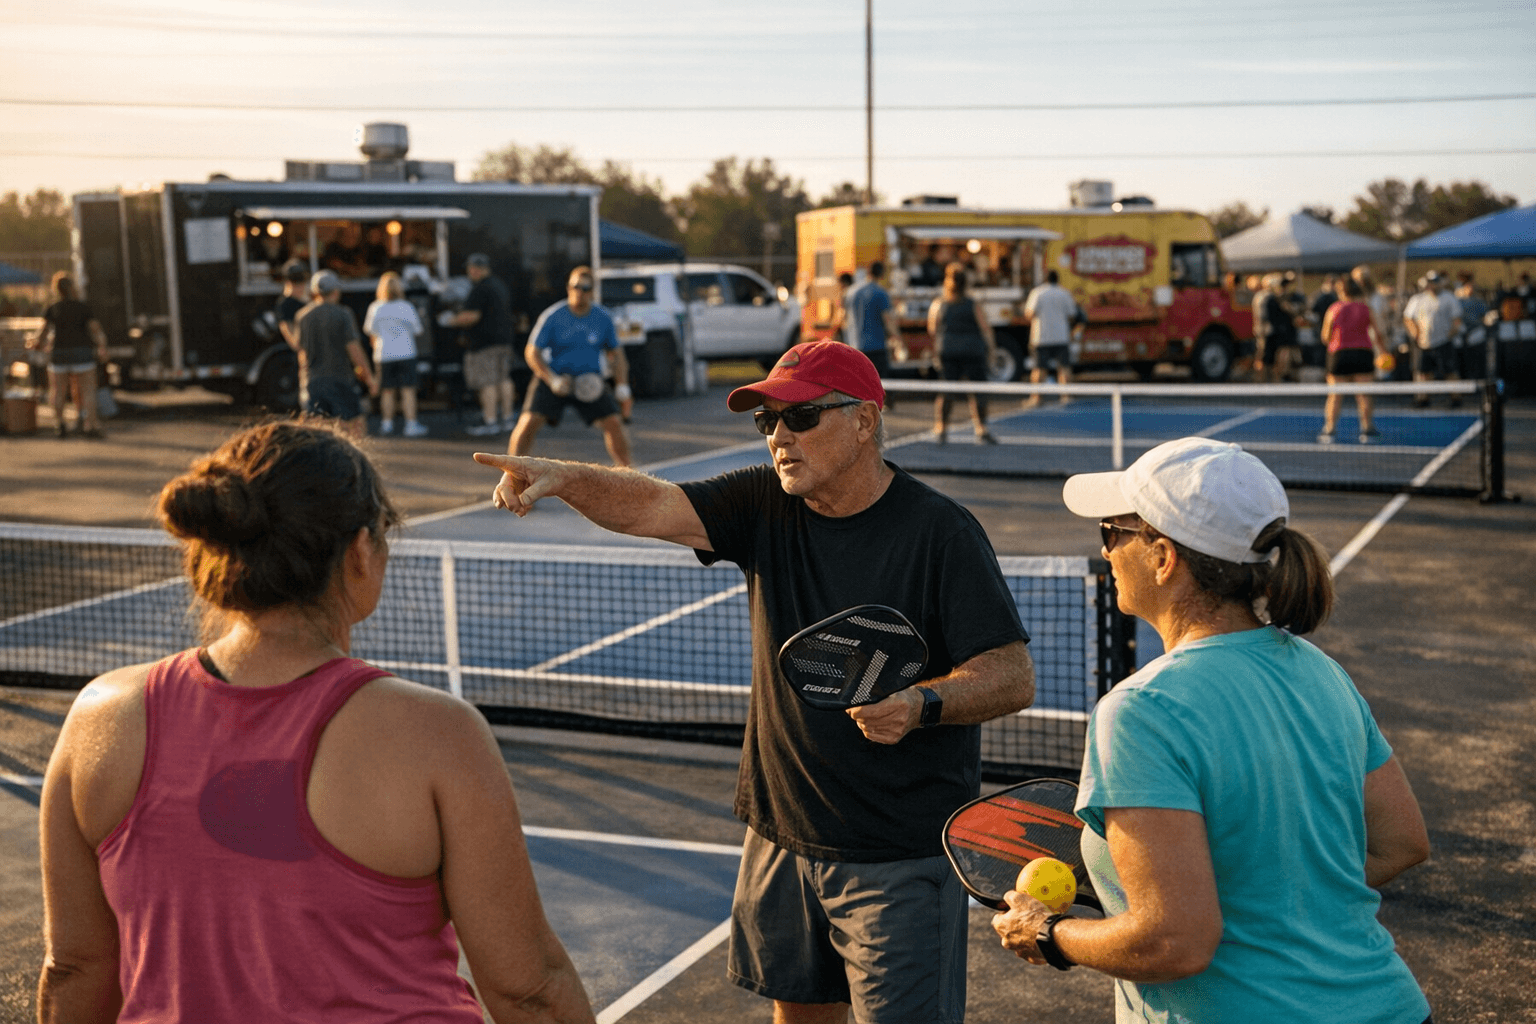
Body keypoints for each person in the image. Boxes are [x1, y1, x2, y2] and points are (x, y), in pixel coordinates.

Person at [474, 341, 1034, 1024]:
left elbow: (1011, 675)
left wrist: (922, 704)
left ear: (863, 421)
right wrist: (563, 477)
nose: (779, 438)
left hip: (895, 857)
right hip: (780, 833)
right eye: (766, 422)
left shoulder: (940, 532)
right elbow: (652, 505)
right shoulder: (763, 503)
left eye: (800, 418)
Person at [37, 420, 595, 1024]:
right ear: (360, 551)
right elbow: (528, 988)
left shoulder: (100, 715)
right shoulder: (436, 734)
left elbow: (73, 971)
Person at [992, 436, 1432, 1024]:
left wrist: (1049, 933)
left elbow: (1174, 941)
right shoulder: (1323, 673)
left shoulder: (1142, 712)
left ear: (1163, 557)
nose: (1106, 552)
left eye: (1112, 532)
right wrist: (1269, 903)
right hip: (1388, 1006)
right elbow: (1402, 841)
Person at [507, 265, 632, 467]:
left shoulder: (603, 318)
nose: (579, 292)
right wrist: (551, 378)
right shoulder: (553, 316)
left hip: (588, 381)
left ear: (592, 291)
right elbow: (532, 352)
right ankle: (513, 476)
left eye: (585, 287)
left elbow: (617, 355)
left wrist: (622, 385)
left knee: (614, 424)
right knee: (528, 422)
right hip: (556, 378)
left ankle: (629, 475)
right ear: (568, 288)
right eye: (574, 286)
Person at [292, 270, 377, 438]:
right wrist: (369, 377)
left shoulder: (302, 316)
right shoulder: (343, 314)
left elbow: (301, 353)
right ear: (336, 291)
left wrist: (303, 381)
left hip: (313, 380)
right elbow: (354, 350)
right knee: (354, 425)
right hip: (341, 379)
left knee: (319, 431)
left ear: (314, 292)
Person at [444, 254, 519, 436]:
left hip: (484, 344)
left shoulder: (480, 289)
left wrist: (449, 320)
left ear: (476, 269)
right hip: (504, 341)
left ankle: (490, 421)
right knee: (504, 379)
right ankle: (508, 418)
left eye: (471, 268)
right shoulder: (499, 285)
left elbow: (472, 316)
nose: (470, 272)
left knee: (488, 383)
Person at [28, 272, 110, 438]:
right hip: (82, 352)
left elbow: (42, 334)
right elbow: (96, 330)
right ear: (73, 288)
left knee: (58, 391)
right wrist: (102, 347)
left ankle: (60, 425)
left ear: (56, 289)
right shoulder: (83, 307)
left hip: (59, 353)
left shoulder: (53, 308)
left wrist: (35, 342)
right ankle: (91, 425)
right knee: (87, 391)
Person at [927, 262, 999, 444]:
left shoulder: (939, 303)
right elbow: (986, 329)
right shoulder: (973, 304)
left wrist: (937, 349)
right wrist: (992, 350)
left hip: (948, 350)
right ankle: (981, 429)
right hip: (973, 351)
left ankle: (941, 428)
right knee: (978, 391)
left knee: (946, 391)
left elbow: (932, 328)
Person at [1318, 275, 1387, 444]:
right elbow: (1379, 333)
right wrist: (1383, 351)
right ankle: (1367, 429)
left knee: (1335, 394)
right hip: (1362, 353)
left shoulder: (1334, 309)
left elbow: (1325, 336)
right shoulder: (1367, 308)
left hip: (1339, 354)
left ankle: (1329, 430)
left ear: (1341, 291)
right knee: (1363, 394)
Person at [364, 271, 428, 437]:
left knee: (387, 391)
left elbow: (370, 331)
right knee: (408, 391)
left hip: (384, 354)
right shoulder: (406, 307)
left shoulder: (375, 307)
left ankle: (387, 424)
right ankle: (411, 424)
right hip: (406, 352)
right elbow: (418, 330)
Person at [1403, 270, 1463, 408]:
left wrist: (1451, 333)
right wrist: (1415, 333)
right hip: (1423, 343)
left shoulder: (1449, 298)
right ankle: (1423, 398)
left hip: (1443, 342)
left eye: (1435, 283)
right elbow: (1408, 318)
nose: (1433, 286)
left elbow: (1457, 318)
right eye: (1430, 283)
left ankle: (1456, 398)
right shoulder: (1418, 299)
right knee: (1423, 372)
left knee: (1450, 371)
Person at [1022, 269, 1080, 406]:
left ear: (1045, 279)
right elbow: (1072, 314)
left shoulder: (1037, 293)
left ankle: (1036, 398)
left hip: (1041, 336)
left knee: (1039, 368)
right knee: (1064, 367)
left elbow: (1029, 314)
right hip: (1061, 336)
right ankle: (1066, 396)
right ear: (1057, 279)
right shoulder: (1064, 293)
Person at [838, 261, 899, 378]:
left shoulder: (850, 292)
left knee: (859, 384)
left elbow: (843, 319)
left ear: (867, 272)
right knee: (880, 383)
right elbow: (888, 320)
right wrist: (897, 338)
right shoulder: (881, 293)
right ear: (882, 275)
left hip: (855, 347)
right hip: (877, 348)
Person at [1253, 273, 1300, 383]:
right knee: (1267, 357)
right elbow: (1272, 315)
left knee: (1262, 355)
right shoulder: (1270, 298)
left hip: (1261, 330)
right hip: (1268, 331)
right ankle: (1266, 379)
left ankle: (1262, 379)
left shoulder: (1259, 296)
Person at [1454, 275, 1489, 381]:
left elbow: (1484, 318)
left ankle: (1478, 379)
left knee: (1476, 359)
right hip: (1460, 334)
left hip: (1475, 334)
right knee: (1461, 359)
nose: (1470, 289)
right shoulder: (1456, 301)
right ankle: (1462, 379)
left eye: (1471, 286)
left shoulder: (1479, 302)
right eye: (1467, 287)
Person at [274, 259, 311, 350]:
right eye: (295, 279)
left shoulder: (306, 301)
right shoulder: (284, 305)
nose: (300, 284)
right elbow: (294, 342)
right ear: (287, 281)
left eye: (302, 279)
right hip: (297, 355)